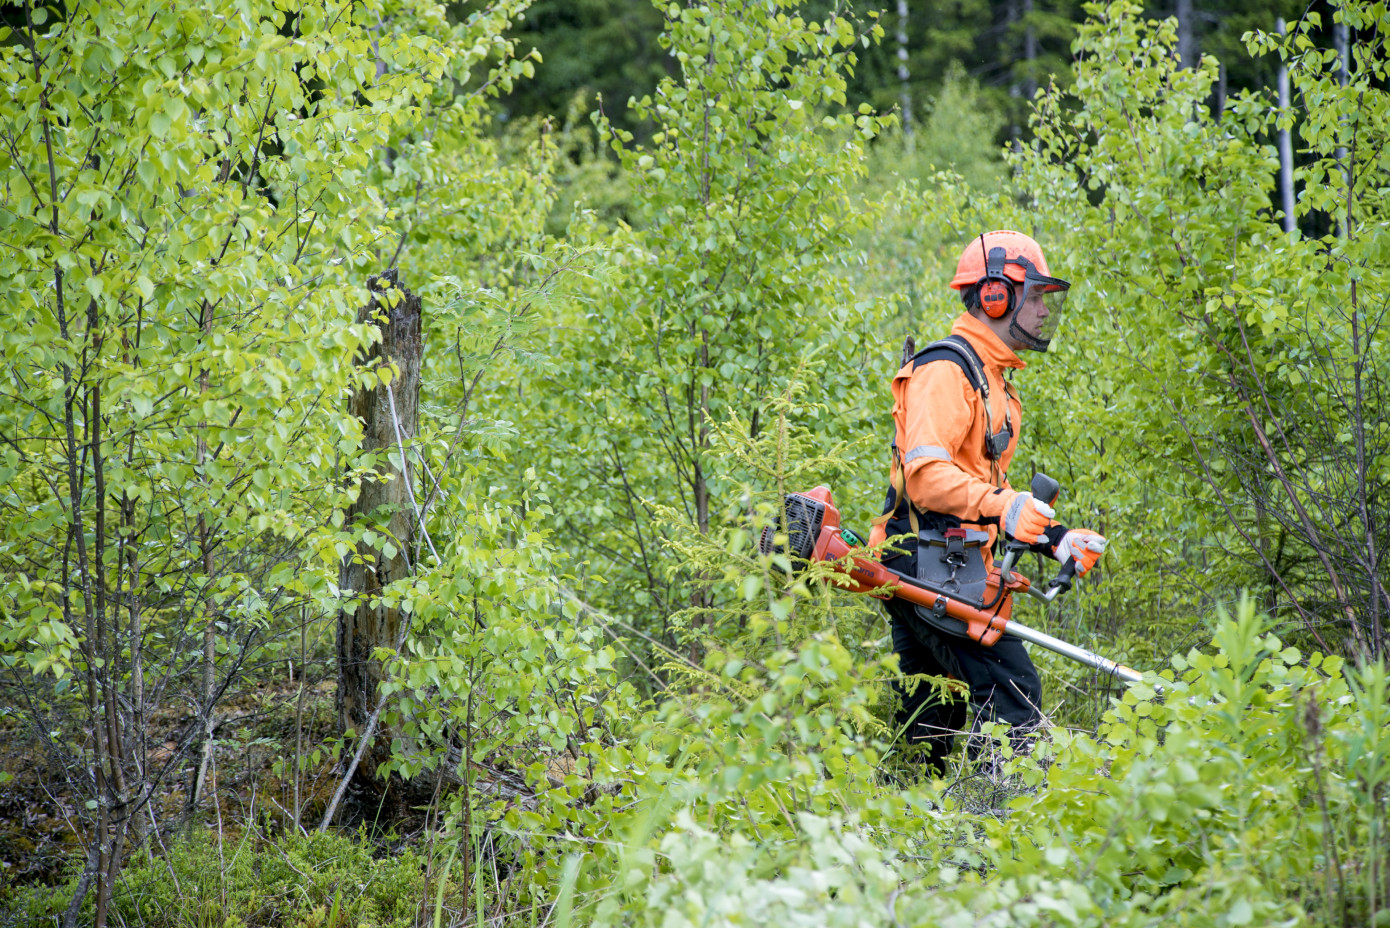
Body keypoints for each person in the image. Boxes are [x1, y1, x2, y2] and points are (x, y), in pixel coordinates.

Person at [865, 230, 1108, 773]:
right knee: (1013, 695)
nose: (1045, 310)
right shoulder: (947, 370)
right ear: (995, 296)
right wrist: (1007, 506)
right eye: (1037, 296)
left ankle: (892, 833)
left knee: (934, 713)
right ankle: (995, 836)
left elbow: (980, 491)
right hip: (925, 564)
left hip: (945, 564)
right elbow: (927, 480)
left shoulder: (990, 377)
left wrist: (1055, 538)